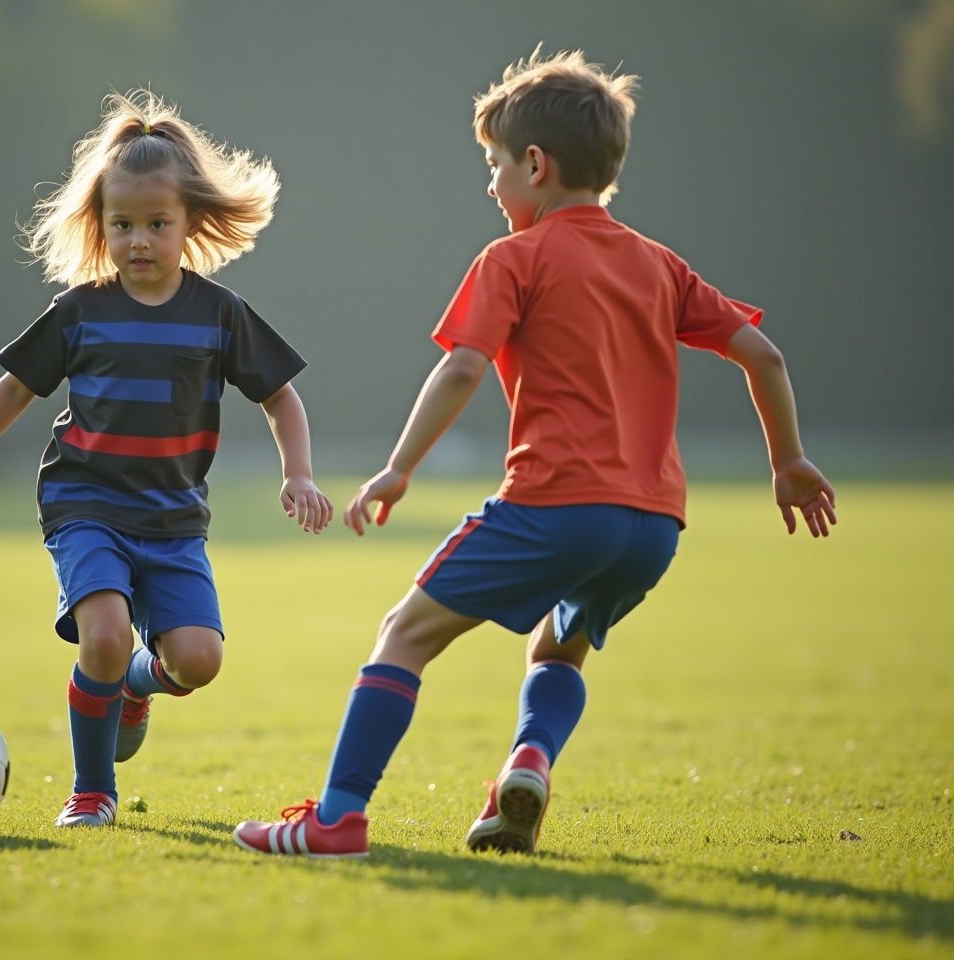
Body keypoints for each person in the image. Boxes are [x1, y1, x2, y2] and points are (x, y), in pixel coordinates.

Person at [233, 47, 836, 859]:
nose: (490, 185)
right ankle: (528, 761)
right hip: (653, 526)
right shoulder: (660, 265)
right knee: (559, 645)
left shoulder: (513, 259)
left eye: (494, 166)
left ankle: (337, 818)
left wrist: (400, 466)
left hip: (555, 503)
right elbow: (762, 354)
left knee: (404, 634)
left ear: (536, 164)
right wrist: (788, 462)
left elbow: (462, 366)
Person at [0, 89, 333, 830]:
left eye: (156, 224)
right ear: (99, 224)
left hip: (173, 520)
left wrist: (296, 473)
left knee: (198, 662)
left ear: (190, 223)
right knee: (103, 637)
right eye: (122, 225)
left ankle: (138, 685)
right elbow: (16, 390)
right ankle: (92, 789)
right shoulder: (81, 310)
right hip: (85, 506)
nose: (138, 240)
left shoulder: (219, 313)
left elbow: (282, 398)